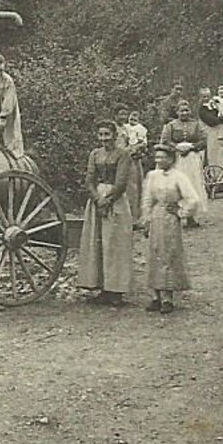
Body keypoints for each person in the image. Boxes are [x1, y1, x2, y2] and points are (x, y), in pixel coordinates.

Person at [136, 142, 202, 314]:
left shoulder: (179, 176)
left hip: (170, 219)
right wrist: (146, 219)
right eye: (157, 157)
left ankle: (168, 298)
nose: (159, 160)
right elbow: (147, 199)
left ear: (171, 159)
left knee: (168, 255)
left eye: (163, 157)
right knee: (154, 254)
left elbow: (193, 199)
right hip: (156, 217)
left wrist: (181, 212)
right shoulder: (152, 176)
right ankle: (155, 296)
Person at [76, 120, 135, 306]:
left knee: (114, 244)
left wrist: (108, 200)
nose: (104, 139)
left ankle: (116, 290)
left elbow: (121, 182)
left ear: (114, 136)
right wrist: (97, 199)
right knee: (97, 243)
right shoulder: (95, 154)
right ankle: (100, 286)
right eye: (100, 135)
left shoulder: (123, 155)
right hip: (96, 201)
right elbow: (89, 180)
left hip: (115, 202)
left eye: (107, 135)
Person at [159, 101, 208, 228]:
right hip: (176, 159)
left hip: (192, 159)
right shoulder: (171, 125)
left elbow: (203, 140)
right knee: (176, 186)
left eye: (187, 110)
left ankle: (190, 216)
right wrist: (176, 148)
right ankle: (176, 215)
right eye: (182, 111)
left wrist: (192, 147)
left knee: (192, 186)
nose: (184, 113)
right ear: (177, 112)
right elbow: (165, 140)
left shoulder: (196, 124)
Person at [116, 106, 150, 212]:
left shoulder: (127, 128)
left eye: (125, 114)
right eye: (121, 114)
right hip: (123, 161)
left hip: (133, 160)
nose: (123, 117)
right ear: (115, 115)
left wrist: (141, 148)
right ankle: (129, 217)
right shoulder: (116, 129)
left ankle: (136, 216)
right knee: (129, 189)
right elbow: (120, 148)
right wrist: (135, 148)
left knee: (137, 188)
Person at [197, 89, 223, 179]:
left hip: (221, 132)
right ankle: (214, 177)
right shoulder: (203, 109)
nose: (206, 98)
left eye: (208, 96)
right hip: (211, 133)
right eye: (204, 96)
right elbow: (212, 121)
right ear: (200, 97)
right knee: (213, 155)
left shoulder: (215, 105)